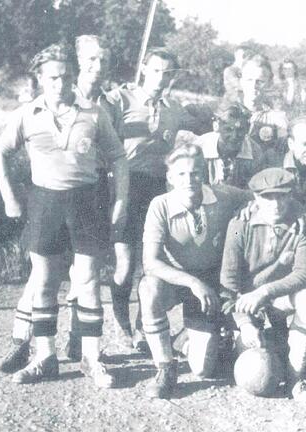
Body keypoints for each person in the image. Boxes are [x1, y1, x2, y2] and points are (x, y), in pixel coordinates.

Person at [0, 43, 128, 388]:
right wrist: (10, 197)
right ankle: (45, 357)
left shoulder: (94, 113)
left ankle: (92, 360)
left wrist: (121, 201)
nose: (60, 83)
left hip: (87, 200)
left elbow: (118, 158)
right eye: (52, 77)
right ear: (39, 78)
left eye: (66, 76)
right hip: (45, 201)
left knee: (87, 280)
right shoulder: (27, 113)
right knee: (45, 280)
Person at [104, 48, 209, 354]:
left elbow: (210, 124)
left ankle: (141, 328)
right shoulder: (120, 99)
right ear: (144, 69)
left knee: (152, 265)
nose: (161, 78)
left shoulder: (174, 108)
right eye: (156, 71)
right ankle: (119, 323)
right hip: (123, 185)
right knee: (124, 264)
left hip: (156, 190)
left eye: (168, 73)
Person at [139, 144, 251, 399]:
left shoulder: (222, 196)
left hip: (210, 283)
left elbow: (259, 195)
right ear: (170, 177)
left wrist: (250, 207)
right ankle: (165, 367)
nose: (189, 180)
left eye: (195, 173)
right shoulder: (161, 205)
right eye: (181, 174)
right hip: (177, 279)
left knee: (202, 369)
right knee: (148, 288)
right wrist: (192, 282)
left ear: (204, 174)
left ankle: (187, 338)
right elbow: (151, 262)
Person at [220, 168, 306, 404]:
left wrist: (265, 291)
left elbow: (303, 275)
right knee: (255, 369)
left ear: (290, 195)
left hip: (278, 297)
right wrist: (244, 323)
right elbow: (228, 285)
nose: (275, 204)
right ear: (255, 198)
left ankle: (296, 377)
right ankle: (230, 338)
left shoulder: (302, 221)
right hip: (245, 303)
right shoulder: (239, 223)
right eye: (267, 197)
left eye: (282, 196)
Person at [64, 35, 131, 360]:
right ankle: (32, 341)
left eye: (103, 60)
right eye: (91, 59)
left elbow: (116, 154)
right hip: (63, 190)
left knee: (89, 266)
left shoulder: (108, 104)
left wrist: (119, 200)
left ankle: (82, 338)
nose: (98, 66)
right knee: (58, 268)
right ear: (78, 60)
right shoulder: (62, 96)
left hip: (96, 190)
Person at [238, 54, 290, 169]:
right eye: (249, 80)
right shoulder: (226, 114)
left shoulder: (278, 120)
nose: (253, 86)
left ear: (269, 83)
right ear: (241, 81)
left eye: (259, 81)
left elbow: (282, 161)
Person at [195, 104, 261, 188]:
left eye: (240, 130)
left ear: (247, 130)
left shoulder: (254, 151)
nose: (234, 136)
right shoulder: (200, 148)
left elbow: (254, 190)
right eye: (228, 129)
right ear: (217, 127)